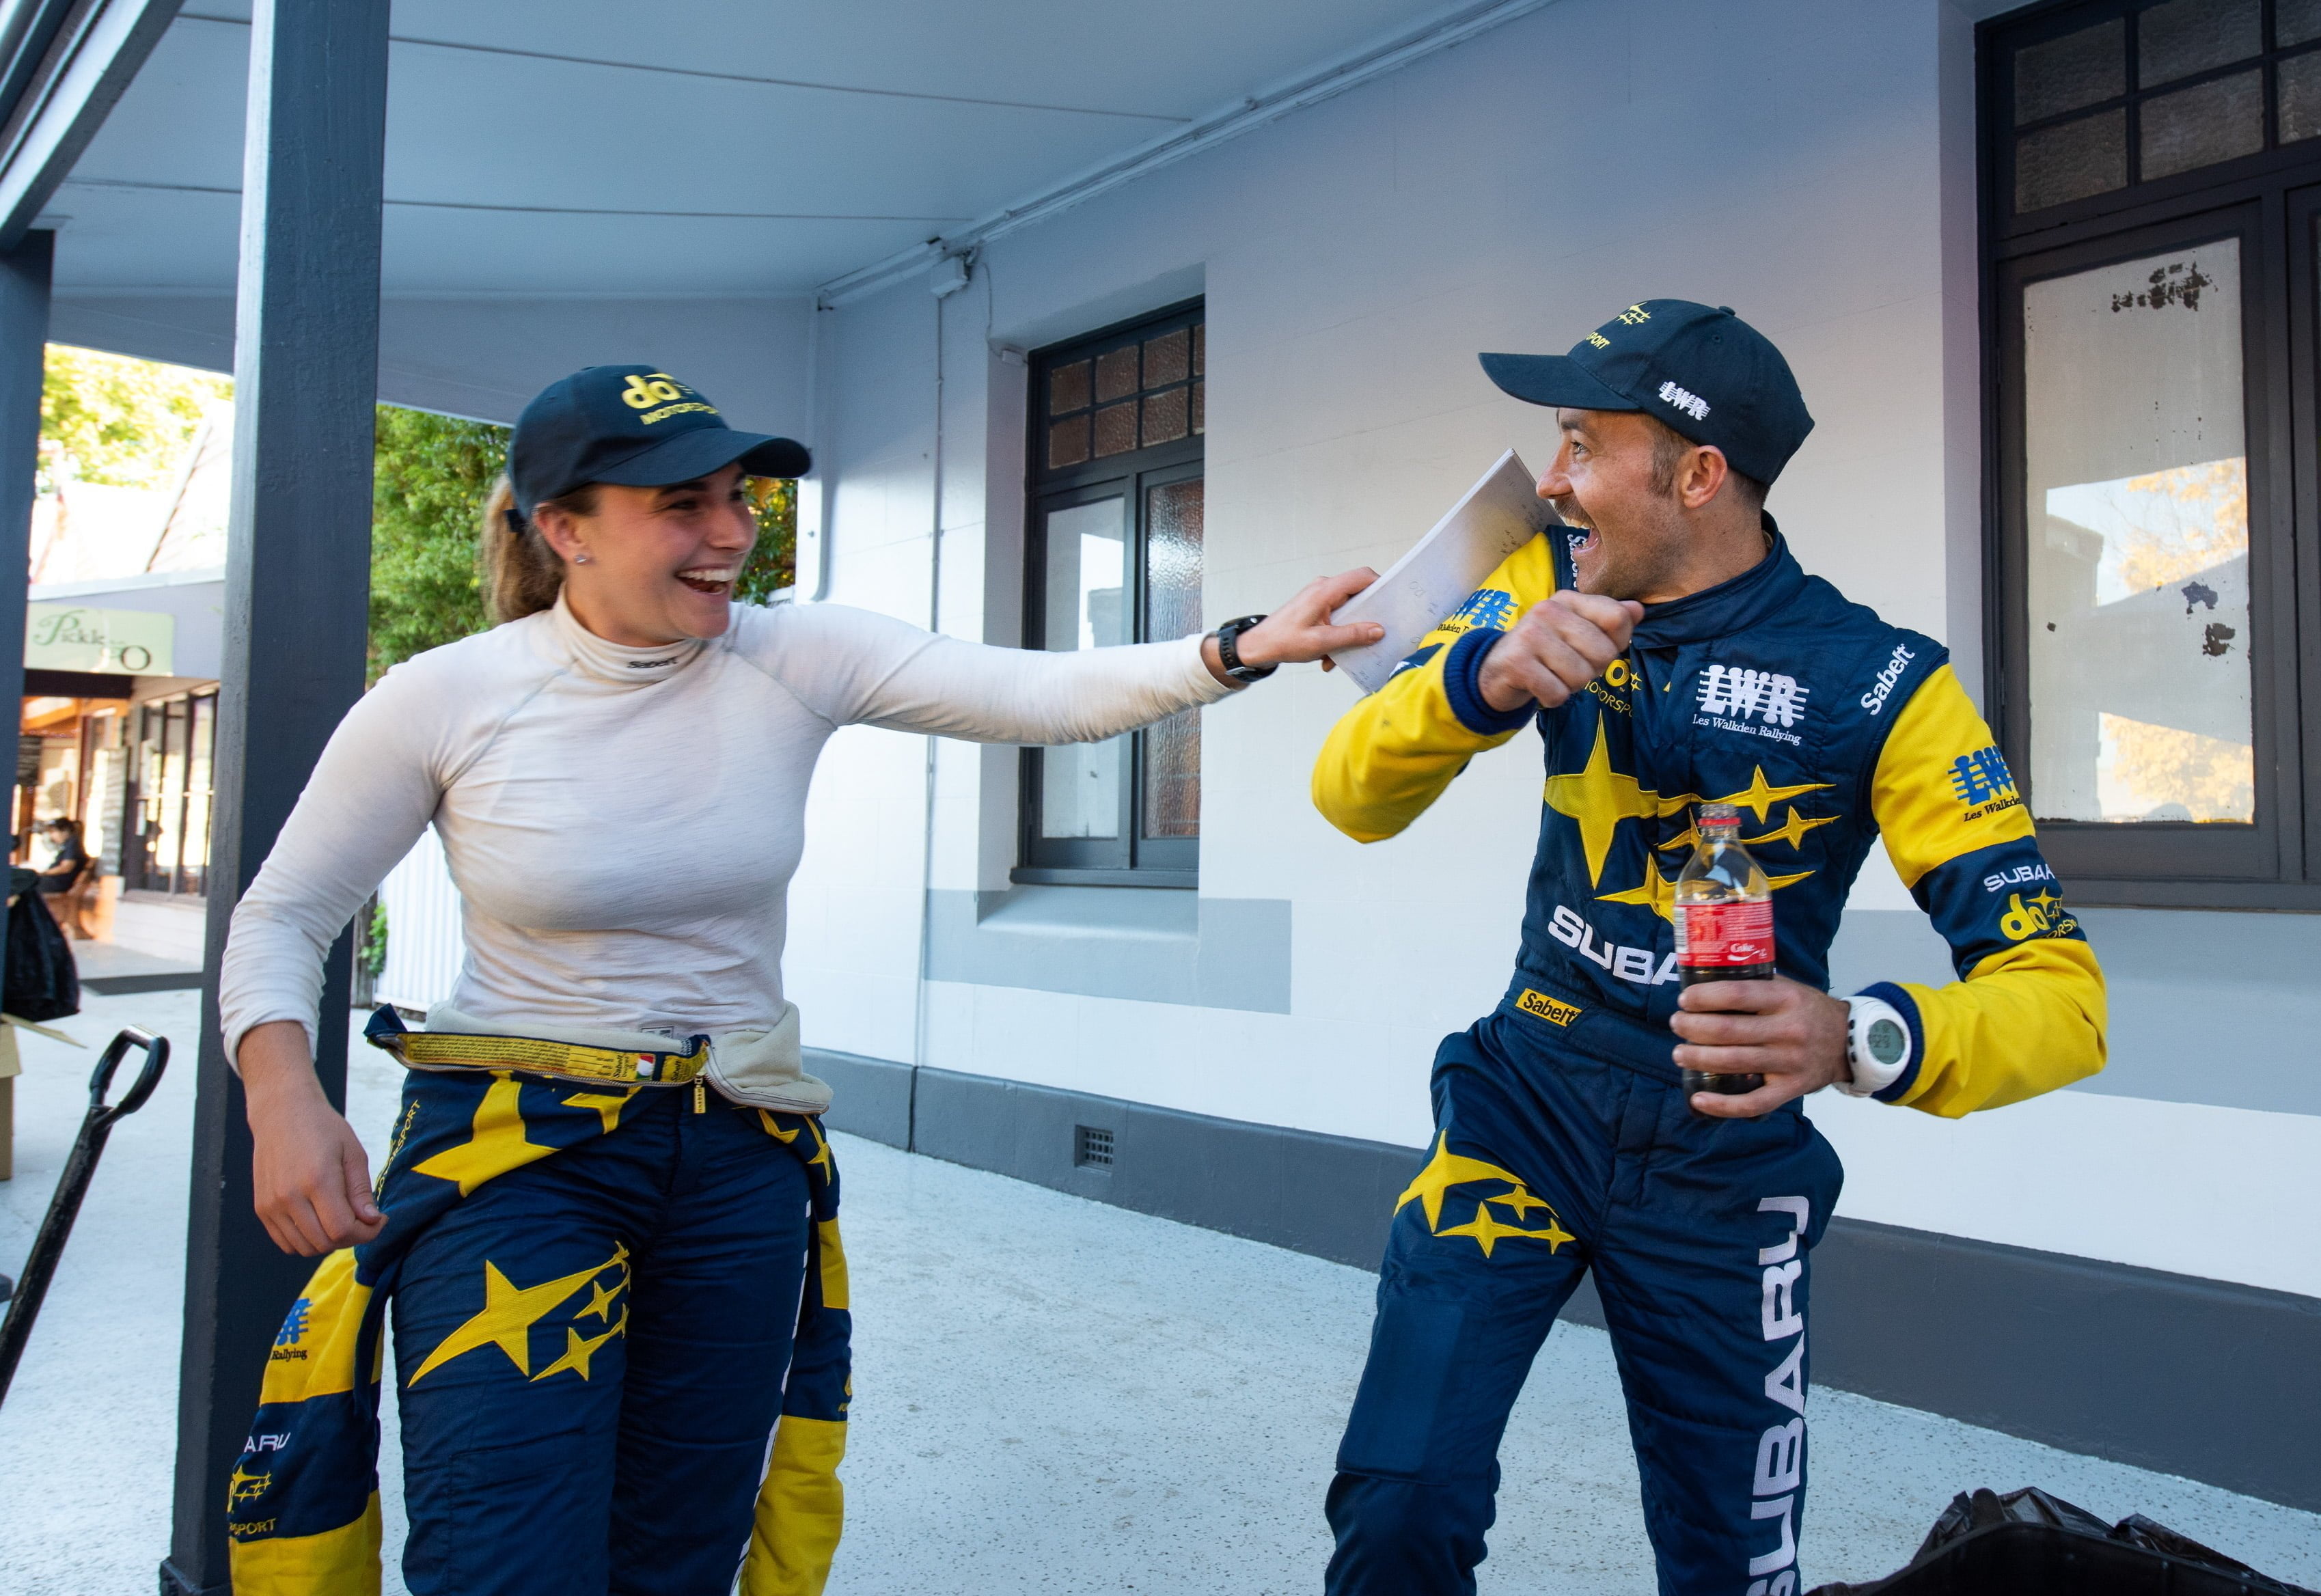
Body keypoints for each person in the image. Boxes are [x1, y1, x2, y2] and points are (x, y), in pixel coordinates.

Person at [217, 363, 1384, 1596]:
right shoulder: (446, 696)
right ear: (564, 530)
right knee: (506, 1557)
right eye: (682, 504)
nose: (728, 534)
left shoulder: (794, 654)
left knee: (682, 1549)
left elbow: (1037, 692)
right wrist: (283, 1098)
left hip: (734, 1159)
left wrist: (1238, 646)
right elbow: (284, 916)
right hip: (518, 1157)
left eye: (736, 499)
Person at [1310, 301, 2108, 1595]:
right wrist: (1483, 682)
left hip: (1726, 1163)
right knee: (1401, 1503)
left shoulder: (1883, 683)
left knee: (1728, 1572)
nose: (1552, 480)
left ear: (1696, 474)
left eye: (1580, 443)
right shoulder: (1534, 583)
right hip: (1527, 1098)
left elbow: (2063, 1001)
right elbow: (1348, 797)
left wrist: (1860, 1037)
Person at [34, 817, 86, 896]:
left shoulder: (72, 844)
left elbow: (66, 867)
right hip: (56, 882)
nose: (52, 836)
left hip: (57, 884)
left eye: (53, 832)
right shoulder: (69, 844)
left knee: (22, 884)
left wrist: (44, 873)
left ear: (65, 831)